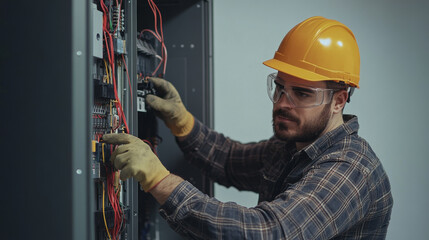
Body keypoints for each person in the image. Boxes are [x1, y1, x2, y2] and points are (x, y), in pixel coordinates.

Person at [103, 16, 393, 239]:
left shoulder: (351, 169)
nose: (283, 103)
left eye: (302, 94)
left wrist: (161, 181)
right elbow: (229, 159)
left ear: (338, 101)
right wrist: (182, 122)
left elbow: (269, 232)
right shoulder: (291, 146)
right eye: (279, 88)